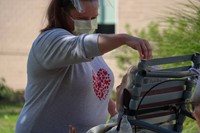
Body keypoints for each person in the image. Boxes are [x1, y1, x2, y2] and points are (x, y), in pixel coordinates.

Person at [15, 0, 152, 133]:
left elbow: (94, 87)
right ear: (63, 13)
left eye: (94, 17)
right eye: (82, 18)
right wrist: (123, 39)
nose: (89, 23)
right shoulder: (51, 41)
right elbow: (82, 46)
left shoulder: (91, 49)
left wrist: (114, 112)